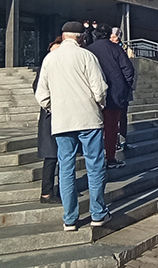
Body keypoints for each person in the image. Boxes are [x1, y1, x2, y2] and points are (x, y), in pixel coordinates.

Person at [35, 21, 110, 232]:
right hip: (88, 118)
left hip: (62, 121)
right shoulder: (86, 56)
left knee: (66, 168)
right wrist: (98, 104)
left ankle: (70, 218)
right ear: (80, 37)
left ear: (64, 35)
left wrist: (55, 107)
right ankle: (98, 213)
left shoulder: (50, 59)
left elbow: (41, 95)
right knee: (95, 165)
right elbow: (100, 88)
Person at [87, 23, 136, 169]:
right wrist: (125, 86)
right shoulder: (116, 49)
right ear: (109, 35)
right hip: (114, 93)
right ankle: (110, 157)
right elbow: (128, 70)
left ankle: (94, 158)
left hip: (92, 94)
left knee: (94, 127)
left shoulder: (88, 51)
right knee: (111, 126)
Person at [35, 36, 64, 204]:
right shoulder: (45, 69)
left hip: (57, 115)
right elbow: (38, 90)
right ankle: (47, 192)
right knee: (51, 156)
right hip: (49, 116)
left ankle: (60, 189)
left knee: (61, 155)